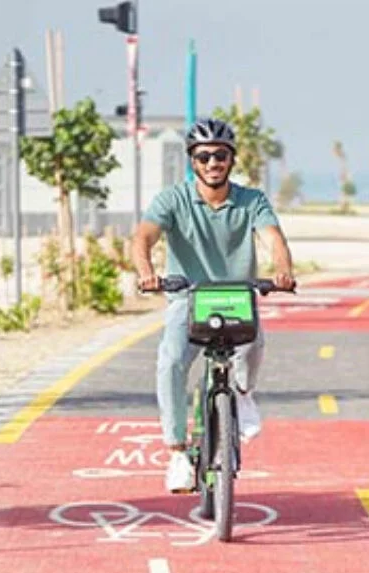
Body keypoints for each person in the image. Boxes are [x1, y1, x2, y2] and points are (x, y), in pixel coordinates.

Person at [130, 117, 295, 493]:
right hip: (188, 298)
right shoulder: (172, 200)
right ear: (192, 161)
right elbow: (143, 237)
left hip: (236, 296)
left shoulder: (251, 200)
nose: (212, 163)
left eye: (220, 155)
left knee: (253, 346)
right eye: (203, 156)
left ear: (231, 159)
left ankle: (242, 393)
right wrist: (146, 272)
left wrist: (282, 271)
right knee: (171, 360)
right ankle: (176, 453)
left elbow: (274, 240)